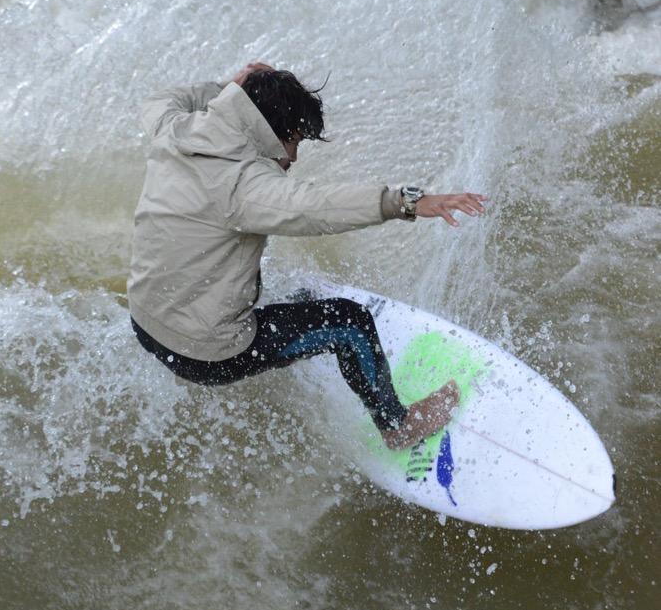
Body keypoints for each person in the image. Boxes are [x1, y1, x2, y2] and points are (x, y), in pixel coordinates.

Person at [128, 63, 485, 451]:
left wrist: (231, 89)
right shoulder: (245, 187)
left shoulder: (174, 129)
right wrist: (406, 202)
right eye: (294, 140)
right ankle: (398, 425)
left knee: (299, 297)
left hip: (144, 322)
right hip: (204, 354)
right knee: (350, 322)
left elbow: (160, 98)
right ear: (269, 133)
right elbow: (318, 207)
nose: (295, 156)